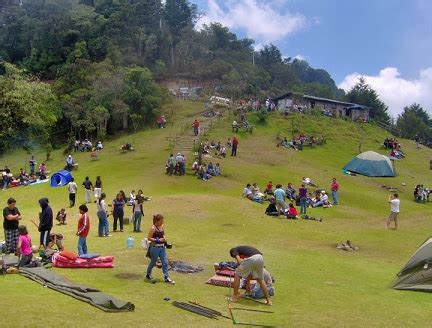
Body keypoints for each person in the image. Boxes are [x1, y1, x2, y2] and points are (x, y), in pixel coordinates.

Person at [146, 214, 175, 284]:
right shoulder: (153, 228)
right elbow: (149, 238)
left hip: (162, 248)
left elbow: (163, 234)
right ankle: (148, 274)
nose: (162, 222)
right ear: (157, 221)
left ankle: (166, 277)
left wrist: (164, 239)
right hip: (154, 248)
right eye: (161, 221)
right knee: (153, 262)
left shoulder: (162, 227)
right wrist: (158, 240)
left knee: (165, 263)